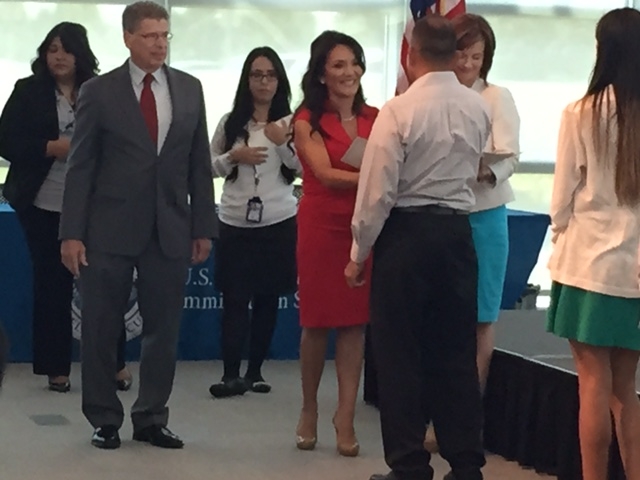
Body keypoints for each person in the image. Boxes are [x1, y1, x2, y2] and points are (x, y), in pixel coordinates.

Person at [59, 1, 217, 450]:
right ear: (128, 38)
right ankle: (104, 417)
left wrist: (202, 225)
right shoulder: (99, 91)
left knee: (163, 330)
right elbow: (81, 166)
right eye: (150, 36)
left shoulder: (189, 88)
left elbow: (198, 164)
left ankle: (151, 416)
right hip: (107, 227)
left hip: (169, 225)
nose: (159, 44)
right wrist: (72, 232)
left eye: (165, 35)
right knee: (100, 327)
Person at [345, 15, 490, 480]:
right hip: (456, 235)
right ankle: (466, 464)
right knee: (455, 352)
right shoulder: (478, 106)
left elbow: (377, 190)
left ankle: (409, 464)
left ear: (411, 53)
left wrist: (358, 253)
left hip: (406, 235)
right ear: (453, 55)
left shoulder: (399, 109)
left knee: (399, 354)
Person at [0, 22, 131, 393]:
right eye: (52, 48)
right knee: (51, 285)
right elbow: (6, 140)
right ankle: (56, 368)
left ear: (81, 55)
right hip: (41, 203)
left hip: (94, 204)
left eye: (66, 49)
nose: (58, 56)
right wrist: (50, 147)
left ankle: (115, 362)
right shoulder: (28, 91)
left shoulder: (100, 91)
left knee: (104, 286)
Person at [546, 8, 640, 480]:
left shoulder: (581, 112)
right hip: (635, 270)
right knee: (628, 388)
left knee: (593, 385)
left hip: (587, 265)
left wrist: (561, 232)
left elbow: (561, 197)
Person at [424, 13, 521, 453]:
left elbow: (508, 156)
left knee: (481, 320)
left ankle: (465, 419)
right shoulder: (430, 95)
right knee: (442, 320)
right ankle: (435, 414)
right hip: (441, 218)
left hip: (484, 217)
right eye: (461, 52)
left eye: (477, 55)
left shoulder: (497, 97)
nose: (468, 62)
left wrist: (481, 169)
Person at [292, 30, 378, 457]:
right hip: (321, 225)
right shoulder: (306, 119)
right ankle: (309, 409)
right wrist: (379, 183)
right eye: (339, 65)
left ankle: (344, 416)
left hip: (363, 228)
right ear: (322, 73)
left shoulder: (378, 117)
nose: (350, 72)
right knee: (316, 323)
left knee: (353, 325)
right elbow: (325, 174)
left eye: (355, 63)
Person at [208, 46, 300, 398]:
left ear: (280, 81)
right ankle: (230, 374)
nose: (263, 81)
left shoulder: (292, 124)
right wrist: (235, 156)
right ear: (247, 80)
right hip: (234, 222)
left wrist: (284, 146)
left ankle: (255, 372)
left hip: (277, 221)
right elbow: (207, 167)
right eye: (257, 74)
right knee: (234, 299)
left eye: (270, 75)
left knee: (267, 299)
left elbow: (305, 170)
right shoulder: (231, 123)